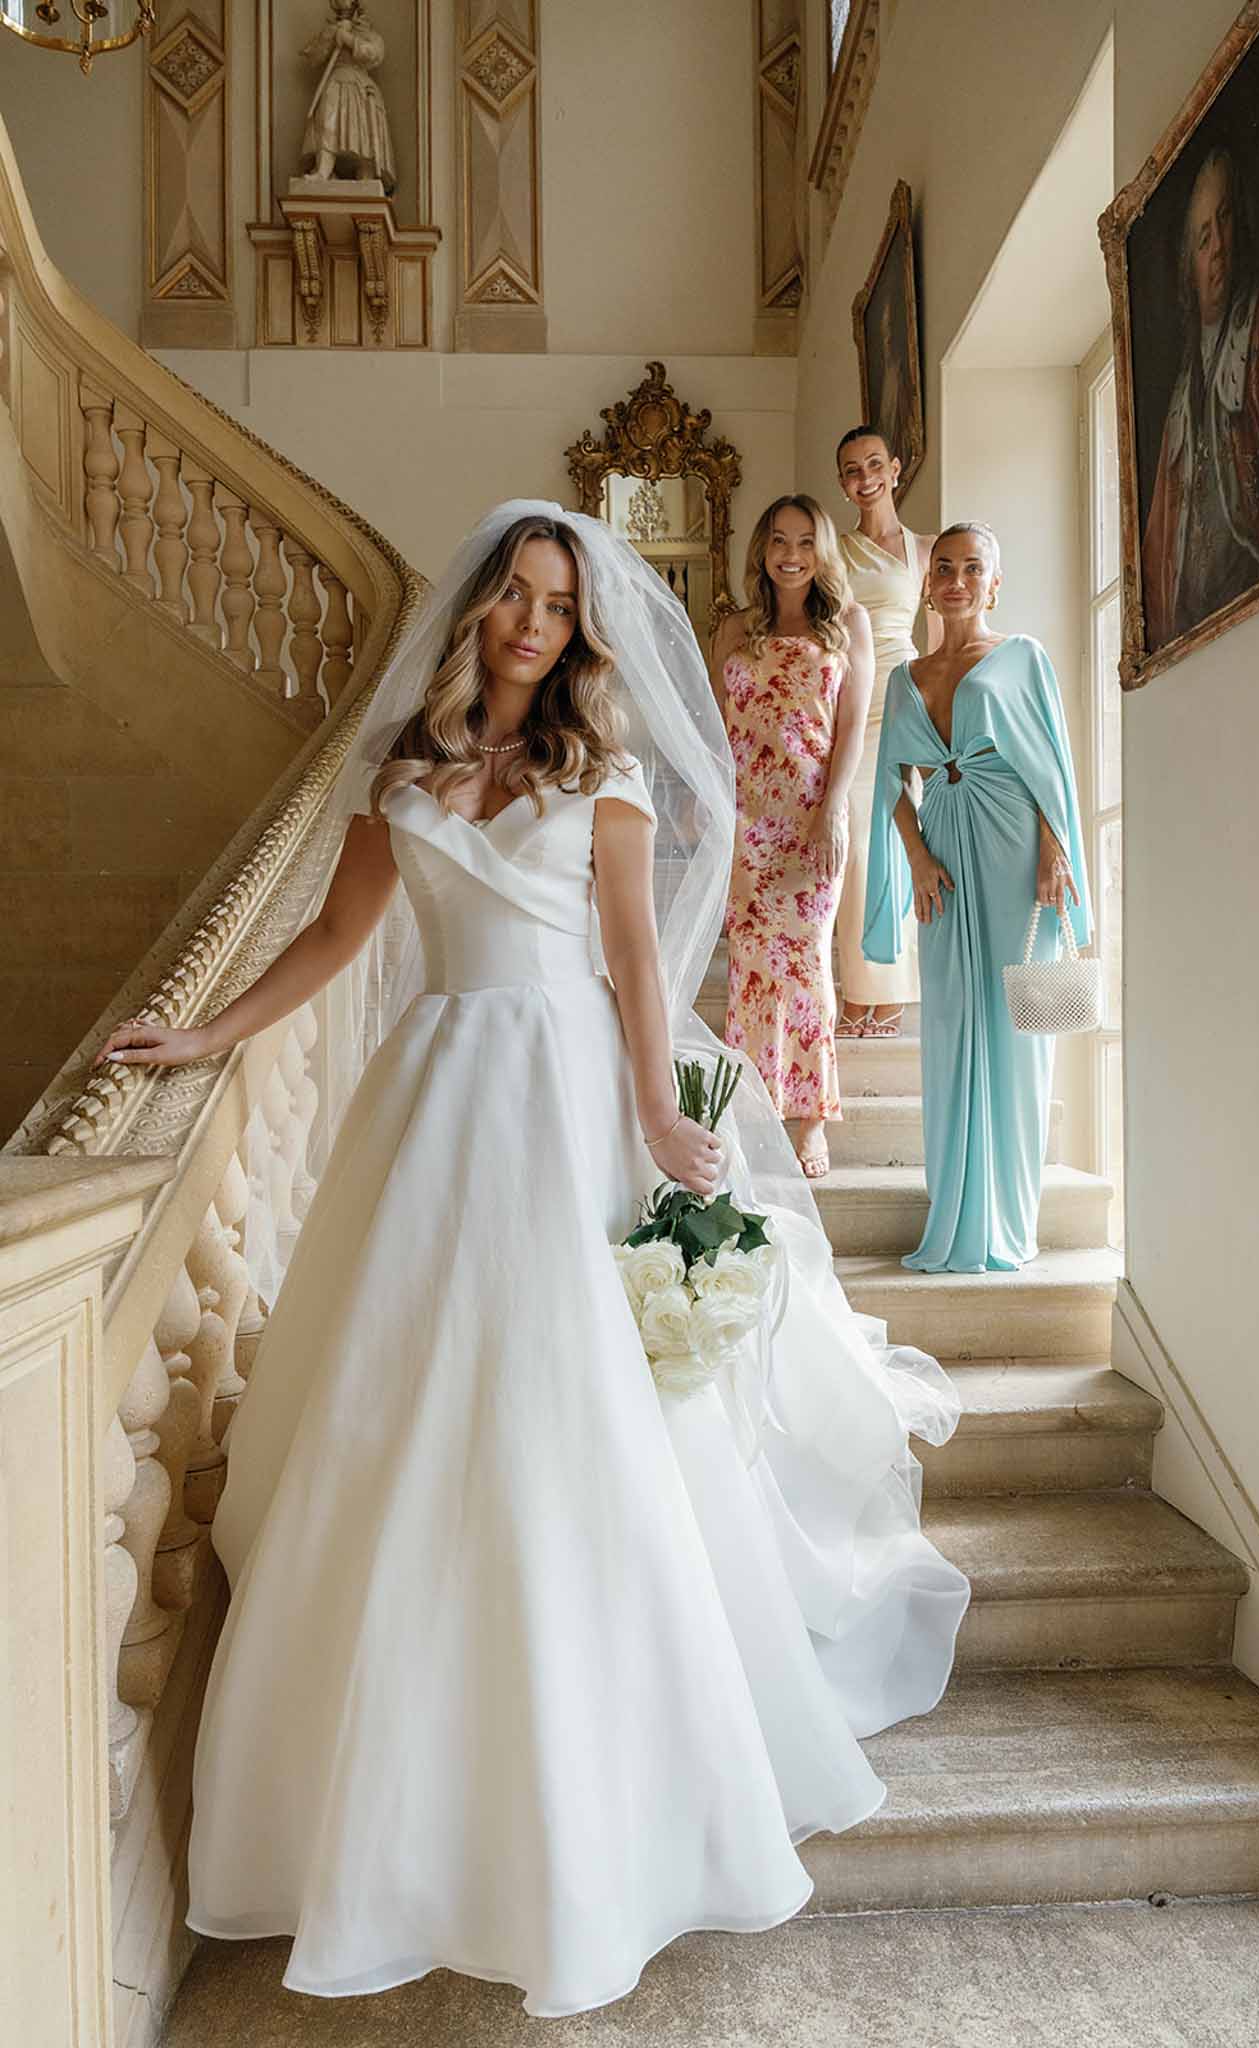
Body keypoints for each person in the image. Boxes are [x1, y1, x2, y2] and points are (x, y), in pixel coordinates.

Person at [98, 504, 968, 2019]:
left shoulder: (605, 774)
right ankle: (382, 1818)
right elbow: (332, 942)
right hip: (435, 1103)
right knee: (409, 1416)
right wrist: (209, 1028)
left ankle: (598, 1794)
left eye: (557, 605)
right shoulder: (404, 780)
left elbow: (636, 961)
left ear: (580, 634)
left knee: (568, 1419)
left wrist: (655, 1112)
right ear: (477, 610)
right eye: (513, 593)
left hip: (561, 1096)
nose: (529, 623)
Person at [863, 522, 1090, 1274]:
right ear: (927, 583)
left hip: (1019, 854)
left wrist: (1056, 851)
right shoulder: (905, 677)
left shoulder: (1022, 659)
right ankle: (957, 1213)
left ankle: (1009, 1222)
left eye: (972, 569)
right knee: (955, 1026)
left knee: (1021, 1034)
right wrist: (918, 858)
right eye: (944, 568)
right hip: (946, 857)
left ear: (994, 584)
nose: (956, 580)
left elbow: (1052, 768)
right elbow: (895, 778)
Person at [709, 496, 874, 1181]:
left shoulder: (849, 627)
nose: (791, 554)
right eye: (779, 540)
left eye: (805, 541)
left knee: (806, 963)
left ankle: (810, 1123)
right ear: (763, 550)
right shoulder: (731, 630)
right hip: (747, 818)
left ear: (822, 551)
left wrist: (832, 809)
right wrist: (714, 812)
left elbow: (854, 727)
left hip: (811, 814)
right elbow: (716, 733)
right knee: (752, 969)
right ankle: (752, 1115)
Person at [1141, 144, 1259, 650]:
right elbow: (1157, 564)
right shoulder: (1183, 393)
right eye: (1204, 238)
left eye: (1225, 220)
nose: (1219, 246)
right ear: (1189, 266)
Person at [834, 426, 942, 1037]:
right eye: (852, 469)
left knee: (899, 844)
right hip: (853, 697)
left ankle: (894, 991)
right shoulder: (836, 553)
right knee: (854, 846)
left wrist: (938, 715)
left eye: (874, 463)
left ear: (896, 469)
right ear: (843, 483)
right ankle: (858, 991)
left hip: (903, 699)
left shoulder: (926, 551)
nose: (865, 476)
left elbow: (934, 643)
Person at [300, 0, 397, 195]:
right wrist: (331, 36)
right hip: (335, 79)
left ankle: (366, 173)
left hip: (360, 84)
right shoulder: (330, 30)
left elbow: (375, 54)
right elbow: (313, 57)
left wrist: (350, 40)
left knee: (363, 130)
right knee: (326, 123)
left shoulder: (368, 33)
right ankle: (323, 170)